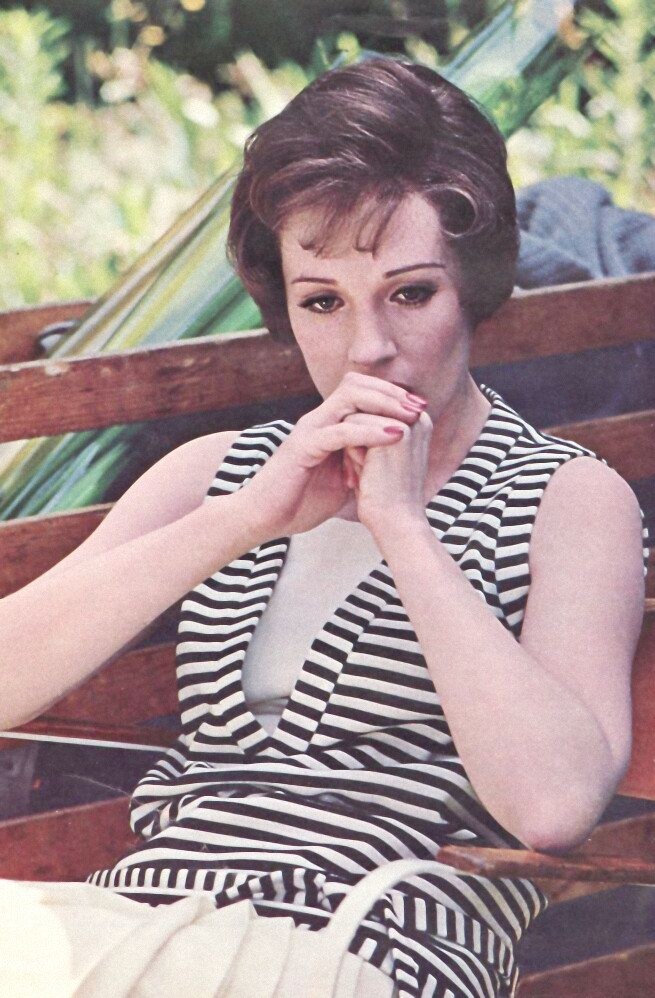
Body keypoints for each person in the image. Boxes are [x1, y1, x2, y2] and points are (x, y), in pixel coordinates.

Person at [0, 58, 648, 998]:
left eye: (410, 293)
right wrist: (247, 517)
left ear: (472, 286)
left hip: (373, 946)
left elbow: (552, 807)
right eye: (322, 302)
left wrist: (403, 529)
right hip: (151, 923)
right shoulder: (222, 474)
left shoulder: (565, 496)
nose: (367, 347)